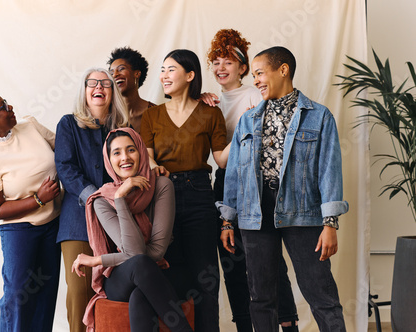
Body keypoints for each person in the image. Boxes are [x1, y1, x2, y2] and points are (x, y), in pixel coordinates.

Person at [219, 46, 349, 332]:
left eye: (260, 73)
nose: (256, 81)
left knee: (321, 293)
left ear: (283, 70)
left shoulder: (319, 116)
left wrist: (330, 223)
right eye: (254, 75)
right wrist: (228, 219)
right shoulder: (248, 120)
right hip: (255, 212)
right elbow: (235, 174)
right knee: (261, 296)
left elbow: (329, 170)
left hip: (302, 210)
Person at [205, 29, 299, 331]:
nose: (221, 68)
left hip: (255, 182)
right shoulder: (211, 101)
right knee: (231, 258)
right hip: (225, 181)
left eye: (229, 62)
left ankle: (287, 323)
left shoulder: (256, 93)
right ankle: (246, 325)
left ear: (243, 67)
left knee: (269, 261)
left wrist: (249, 121)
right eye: (216, 61)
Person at [0, 83, 62, 331]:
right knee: (18, 295)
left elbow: (64, 150)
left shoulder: (30, 126)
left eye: (6, 101)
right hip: (19, 231)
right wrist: (38, 199)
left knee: (46, 294)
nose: (11, 107)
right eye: (3, 107)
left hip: (54, 223)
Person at [72, 128, 193, 332]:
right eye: (116, 153)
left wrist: (97, 260)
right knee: (139, 264)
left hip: (159, 269)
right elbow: (136, 254)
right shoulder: (102, 200)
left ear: (141, 153)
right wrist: (120, 198)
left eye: (131, 150)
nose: (125, 157)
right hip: (120, 277)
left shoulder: (162, 186)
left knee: (140, 295)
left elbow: (155, 253)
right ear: (108, 160)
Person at [141, 49, 227, 332]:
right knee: (169, 271)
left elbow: (221, 159)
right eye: (162, 70)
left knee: (206, 275)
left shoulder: (210, 112)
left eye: (171, 69)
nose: (164, 76)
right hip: (163, 195)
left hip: (201, 194)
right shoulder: (152, 115)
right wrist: (153, 165)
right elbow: (147, 156)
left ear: (190, 76)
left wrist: (246, 130)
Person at [54, 68, 129, 332]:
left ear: (113, 92)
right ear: (85, 90)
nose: (99, 87)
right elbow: (65, 167)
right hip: (77, 222)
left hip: (117, 221)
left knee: (113, 294)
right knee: (79, 294)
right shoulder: (68, 124)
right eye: (93, 83)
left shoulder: (122, 129)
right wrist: (95, 198)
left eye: (106, 83)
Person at [108, 47, 156, 133]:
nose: (115, 75)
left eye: (121, 69)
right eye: (111, 73)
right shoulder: (107, 115)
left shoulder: (157, 113)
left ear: (137, 73)